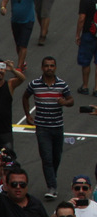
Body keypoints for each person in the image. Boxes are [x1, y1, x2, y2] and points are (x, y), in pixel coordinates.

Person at [22, 56, 74, 200]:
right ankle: (52, 187)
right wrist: (28, 115)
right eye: (46, 66)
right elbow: (25, 97)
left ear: (55, 67)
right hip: (42, 128)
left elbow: (71, 101)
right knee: (47, 158)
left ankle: (52, 177)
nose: (49, 68)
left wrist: (64, 102)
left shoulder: (62, 85)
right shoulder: (35, 84)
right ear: (42, 67)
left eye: (52, 66)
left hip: (57, 127)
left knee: (56, 157)